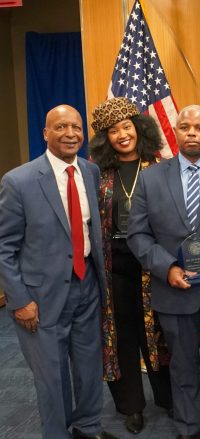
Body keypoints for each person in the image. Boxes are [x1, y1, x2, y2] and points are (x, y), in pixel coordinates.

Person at [127, 105, 200, 439]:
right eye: (185, 127)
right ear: (174, 132)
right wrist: (167, 269)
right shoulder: (150, 178)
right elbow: (138, 234)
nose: (192, 133)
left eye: (199, 127)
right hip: (174, 288)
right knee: (181, 364)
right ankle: (188, 426)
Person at [0, 105, 117, 439]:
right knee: (51, 378)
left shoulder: (90, 172)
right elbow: (4, 246)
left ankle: (88, 426)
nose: (70, 134)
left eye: (77, 127)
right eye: (62, 127)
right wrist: (19, 299)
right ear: (46, 134)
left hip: (87, 287)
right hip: (40, 299)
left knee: (88, 367)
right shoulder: (19, 181)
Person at [88, 97, 173, 434]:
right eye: (113, 131)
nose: (122, 135)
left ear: (139, 128)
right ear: (104, 139)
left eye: (126, 127)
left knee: (159, 332)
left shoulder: (160, 167)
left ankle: (168, 397)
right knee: (121, 336)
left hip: (154, 263)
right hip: (114, 267)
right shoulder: (97, 174)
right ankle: (131, 406)